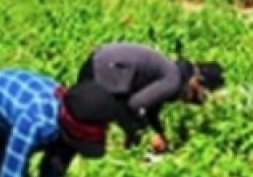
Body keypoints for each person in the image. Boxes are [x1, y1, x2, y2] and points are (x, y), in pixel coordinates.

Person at [77, 43, 225, 153]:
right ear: (196, 82)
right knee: (132, 127)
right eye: (202, 95)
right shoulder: (173, 80)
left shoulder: (171, 73)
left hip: (100, 65)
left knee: (130, 126)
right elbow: (135, 104)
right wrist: (149, 135)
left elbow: (151, 109)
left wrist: (159, 132)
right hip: (102, 71)